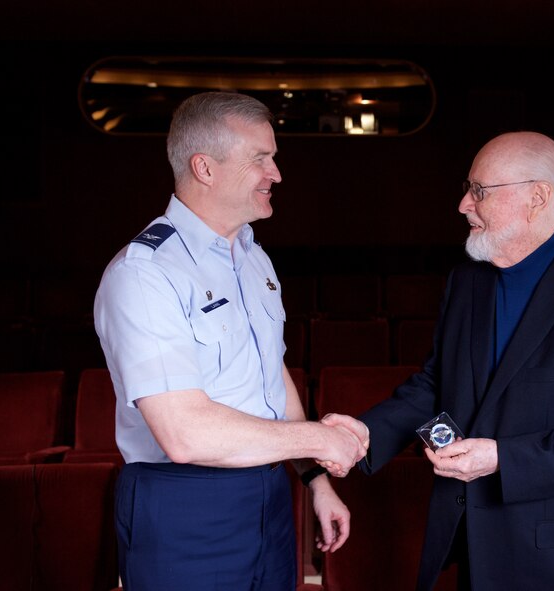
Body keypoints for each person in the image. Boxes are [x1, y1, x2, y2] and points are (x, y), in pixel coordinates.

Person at [327, 131, 554, 590]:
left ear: (538, 197)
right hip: (481, 549)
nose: (464, 205)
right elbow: (437, 383)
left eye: (479, 191)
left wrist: (502, 458)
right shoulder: (469, 282)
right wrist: (369, 432)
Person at [94, 91, 369, 591]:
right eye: (260, 159)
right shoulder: (146, 273)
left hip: (267, 493)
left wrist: (315, 480)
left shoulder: (252, 256)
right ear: (205, 168)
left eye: (274, 159)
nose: (276, 174)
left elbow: (271, 377)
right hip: (185, 506)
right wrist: (320, 439)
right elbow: (184, 434)